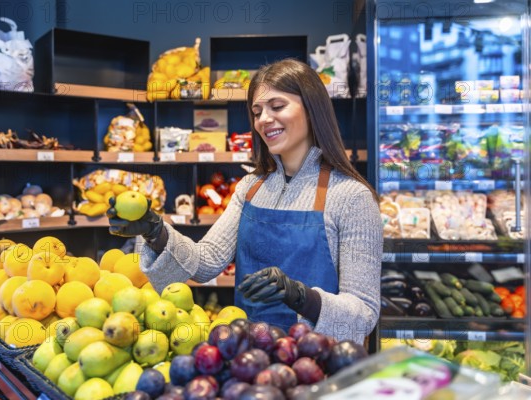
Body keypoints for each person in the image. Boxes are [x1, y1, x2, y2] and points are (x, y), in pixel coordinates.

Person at [108, 58, 383, 344]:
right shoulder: (250, 187)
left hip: (315, 364)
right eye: (257, 111)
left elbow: (363, 314)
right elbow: (206, 262)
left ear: (312, 109)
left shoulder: (351, 198)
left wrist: (302, 297)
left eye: (277, 107)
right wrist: (156, 232)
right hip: (249, 361)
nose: (264, 119)